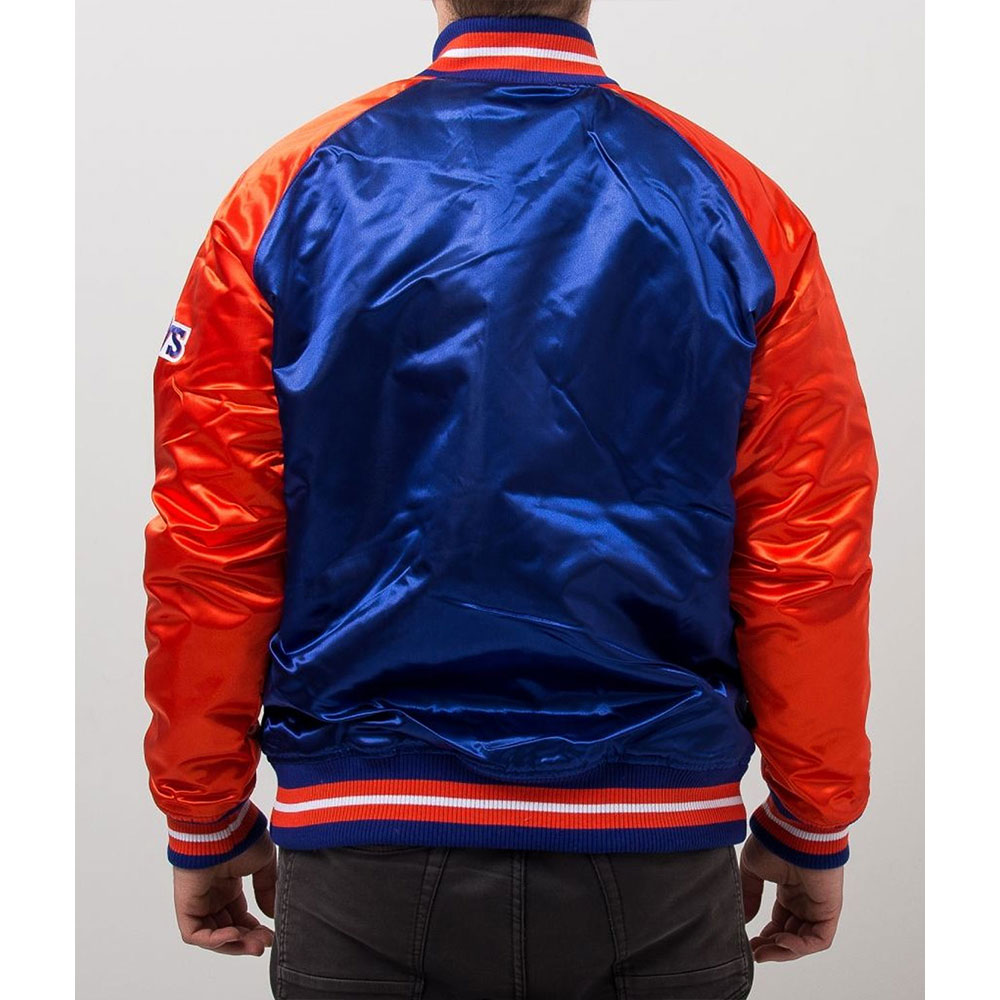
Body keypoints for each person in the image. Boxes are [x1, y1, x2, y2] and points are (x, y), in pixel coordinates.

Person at [142, 0, 878, 996]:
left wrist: (204, 813)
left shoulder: (285, 196)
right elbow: (807, 551)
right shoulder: (741, 209)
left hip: (366, 851)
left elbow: (211, 539)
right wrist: (810, 819)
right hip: (654, 858)